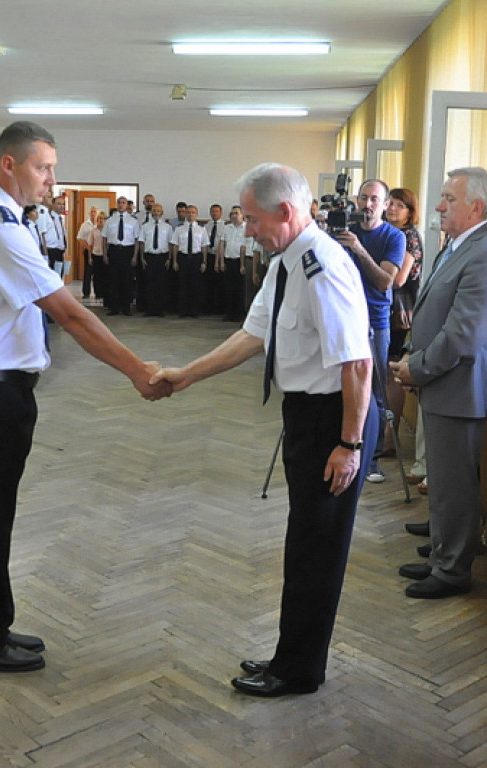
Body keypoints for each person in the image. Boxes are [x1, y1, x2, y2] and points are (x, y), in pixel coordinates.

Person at [0, 120, 170, 673]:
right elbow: (68, 312)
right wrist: (137, 370)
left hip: (0, 391)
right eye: (43, 167)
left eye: (52, 168)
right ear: (9, 165)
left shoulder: (6, 219)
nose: (50, 179)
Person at [151, 162, 373, 697]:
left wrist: (349, 445)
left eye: (252, 219)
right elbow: (252, 336)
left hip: (331, 426)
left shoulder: (322, 265)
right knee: (302, 546)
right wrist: (185, 377)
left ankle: (298, 671)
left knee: (316, 552)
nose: (245, 229)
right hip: (304, 418)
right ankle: (289, 656)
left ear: (287, 212)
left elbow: (357, 363)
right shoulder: (286, 262)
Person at [389, 167, 487, 599]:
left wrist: (417, 367)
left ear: (476, 206)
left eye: (448, 199)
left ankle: (452, 569)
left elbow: (465, 333)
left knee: (455, 483)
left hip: (459, 385)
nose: (439, 206)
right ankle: (443, 550)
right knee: (443, 481)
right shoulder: (461, 244)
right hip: (442, 380)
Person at [336, 180, 406, 484]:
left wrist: (359, 249)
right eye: (363, 198)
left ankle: (372, 459)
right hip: (341, 319)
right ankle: (344, 449)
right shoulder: (342, 231)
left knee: (374, 391)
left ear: (386, 203)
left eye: (374, 199)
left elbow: (384, 282)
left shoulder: (395, 237)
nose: (367, 204)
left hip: (375, 323)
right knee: (339, 387)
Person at [380, 188, 423, 457]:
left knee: (392, 373)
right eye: (391, 204)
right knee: (383, 373)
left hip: (399, 312)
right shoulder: (387, 232)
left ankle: (389, 437)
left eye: (400, 205)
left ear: (410, 211)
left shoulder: (409, 237)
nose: (393, 209)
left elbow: (398, 278)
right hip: (383, 309)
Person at [103, 196, 140, 315]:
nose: (121, 205)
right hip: (113, 250)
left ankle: (126, 307)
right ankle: (114, 307)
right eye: (119, 203)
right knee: (113, 280)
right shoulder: (110, 220)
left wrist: (135, 256)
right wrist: (105, 254)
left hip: (127, 251)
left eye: (123, 203)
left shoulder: (133, 221)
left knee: (127, 280)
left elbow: (137, 240)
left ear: (127, 205)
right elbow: (104, 238)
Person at [170, 204, 205, 317]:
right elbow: (175, 245)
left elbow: (204, 246)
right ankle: (183, 310)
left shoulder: (201, 229)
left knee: (195, 285)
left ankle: (194, 310)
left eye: (193, 212)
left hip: (196, 257)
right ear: (185, 214)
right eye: (188, 212)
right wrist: (175, 261)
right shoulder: (179, 229)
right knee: (182, 285)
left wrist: (204, 261)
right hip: (183, 257)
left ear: (196, 214)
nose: (190, 215)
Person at [138, 203, 171, 316]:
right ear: (151, 212)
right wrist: (142, 258)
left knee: (161, 284)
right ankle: (149, 309)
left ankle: (160, 309)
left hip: (162, 257)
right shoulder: (145, 226)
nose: (156, 212)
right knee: (149, 284)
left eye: (158, 211)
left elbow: (171, 243)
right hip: (149, 257)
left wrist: (169, 258)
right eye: (154, 210)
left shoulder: (168, 227)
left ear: (161, 213)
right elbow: (141, 242)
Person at [218, 205, 247, 321]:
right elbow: (222, 244)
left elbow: (245, 247)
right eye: (232, 214)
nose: (234, 216)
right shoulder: (226, 228)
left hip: (240, 262)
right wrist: (221, 261)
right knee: (229, 289)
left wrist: (243, 264)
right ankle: (229, 313)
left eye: (236, 213)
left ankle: (239, 313)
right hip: (228, 260)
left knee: (240, 289)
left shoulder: (247, 228)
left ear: (242, 215)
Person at [76, 206, 99, 300]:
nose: (93, 213)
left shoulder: (100, 224)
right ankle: (86, 292)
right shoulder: (85, 224)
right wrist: (87, 246)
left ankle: (99, 292)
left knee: (98, 273)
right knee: (88, 272)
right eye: (92, 212)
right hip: (88, 250)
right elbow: (79, 238)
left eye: (95, 212)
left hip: (98, 250)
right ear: (89, 213)